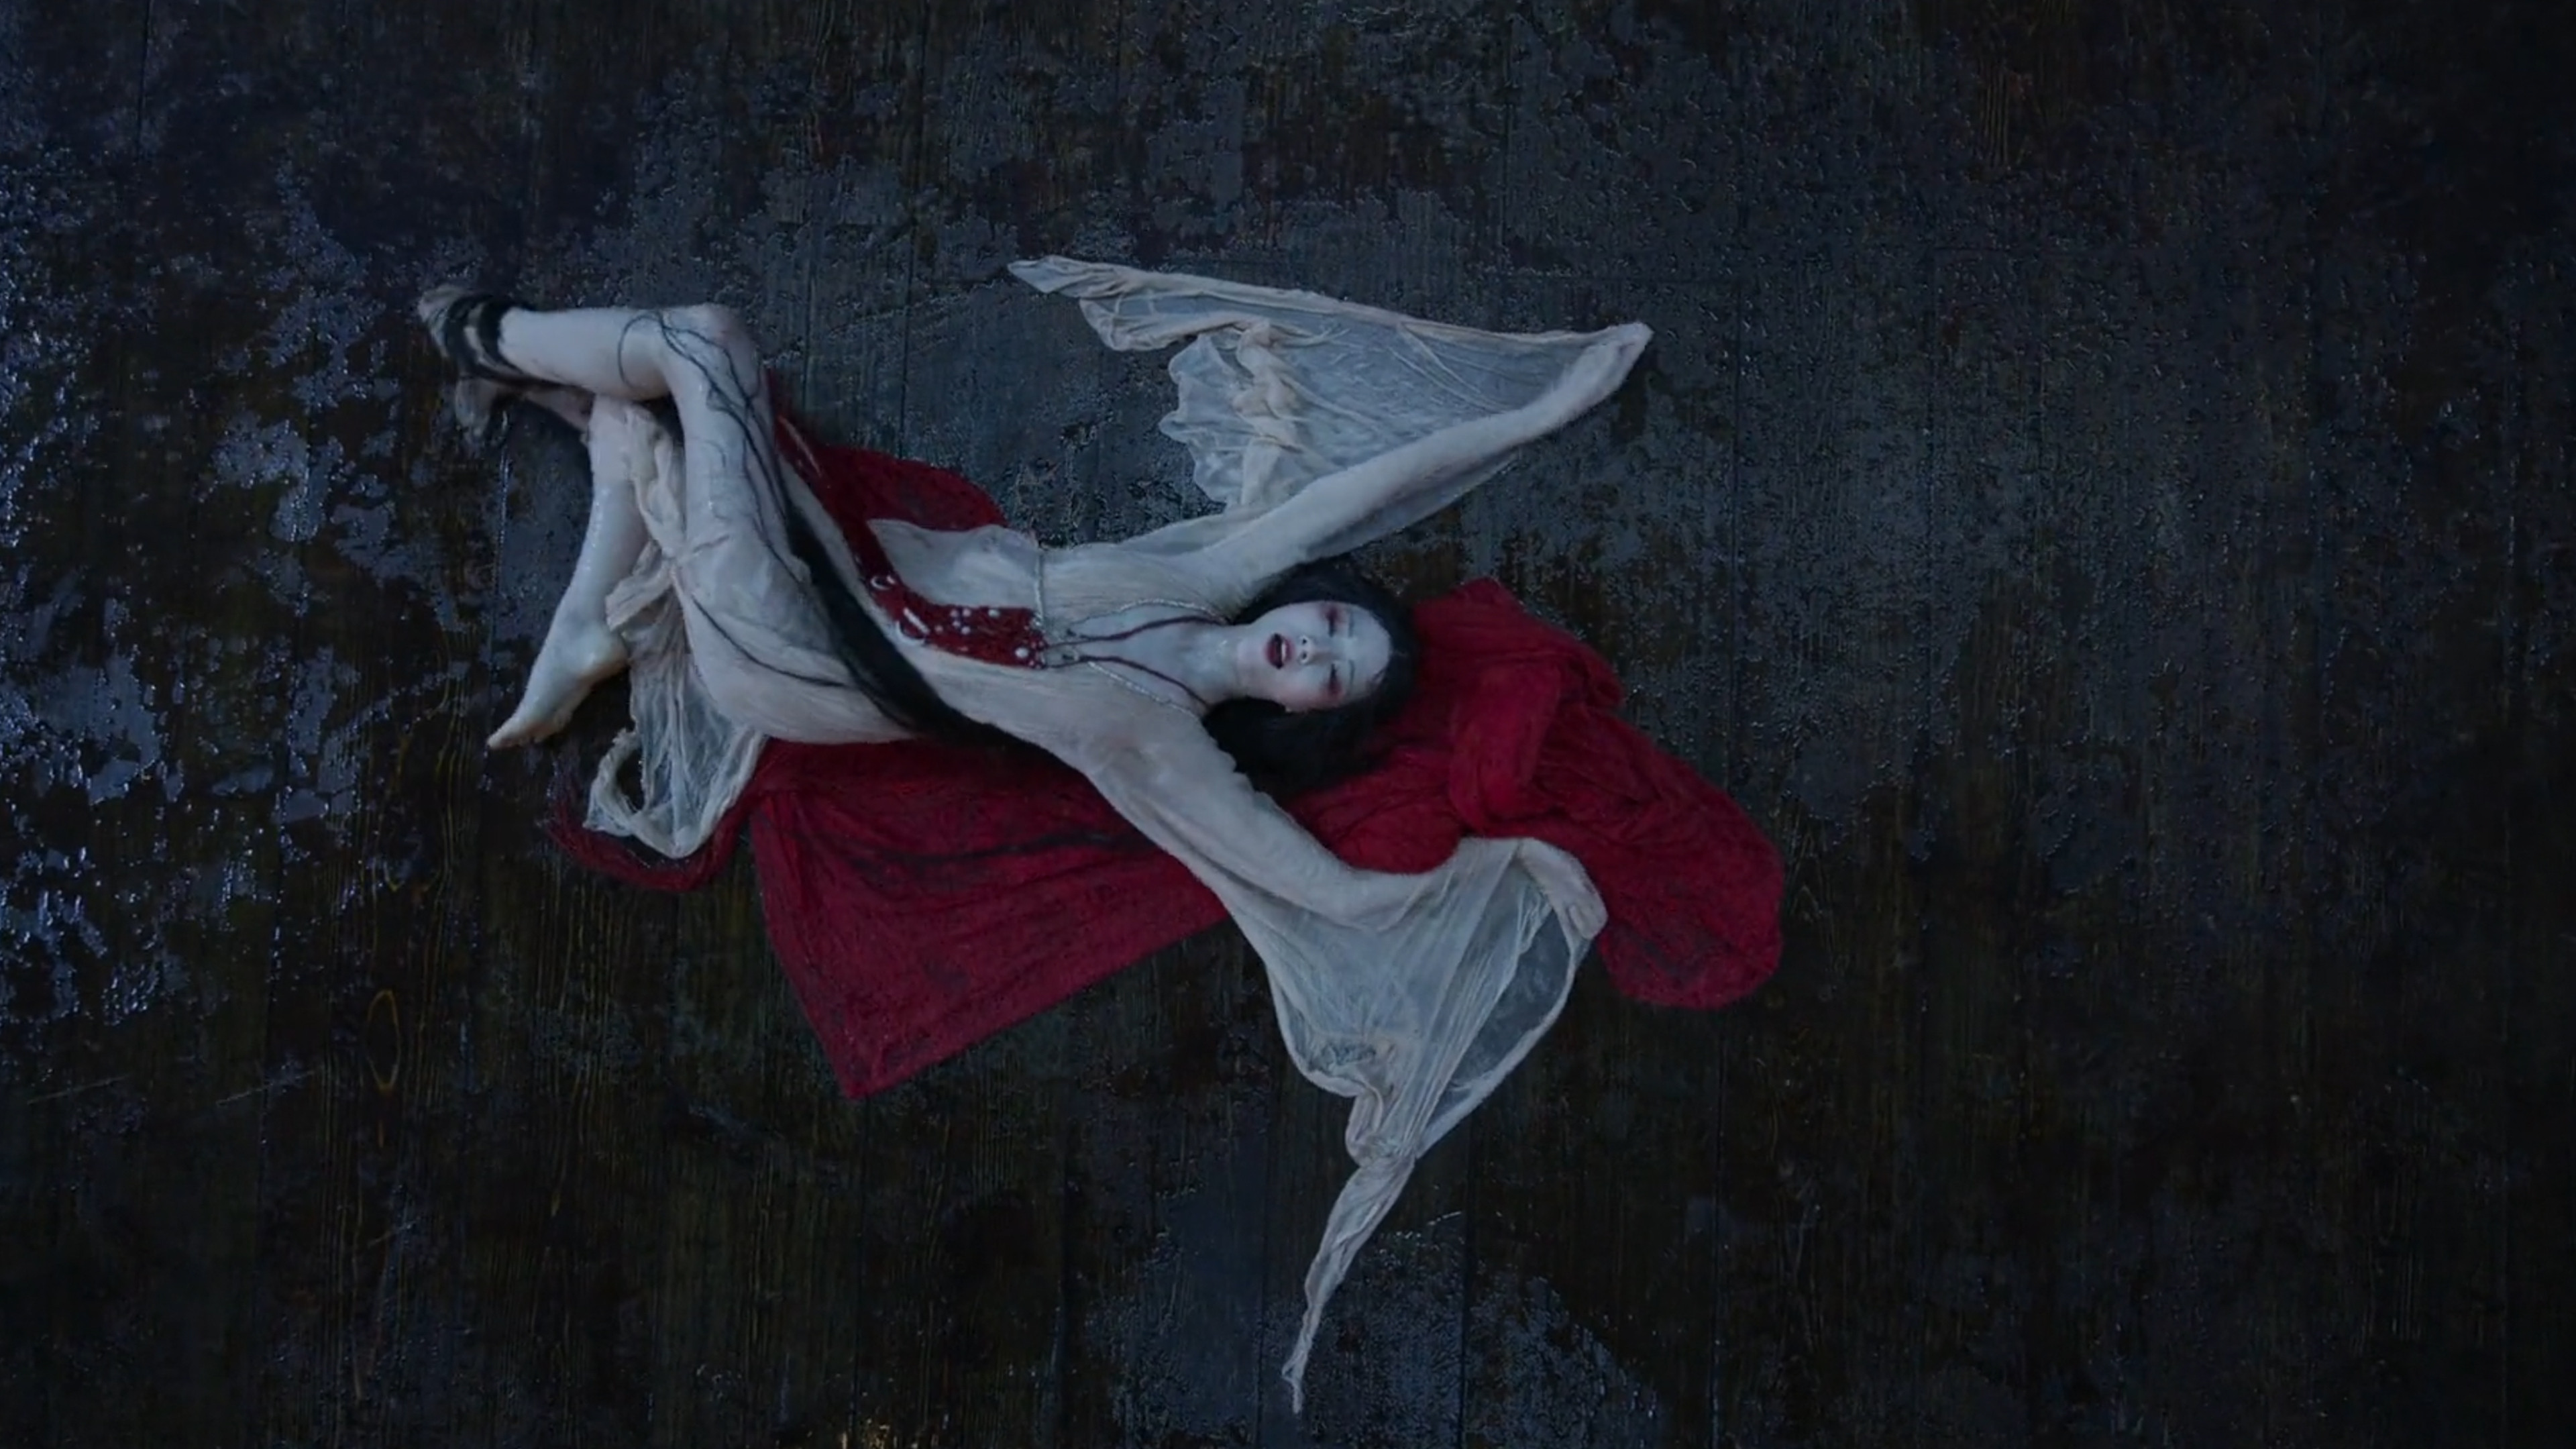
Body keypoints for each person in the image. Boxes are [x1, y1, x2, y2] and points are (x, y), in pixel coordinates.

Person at [418, 260, 1709, 1407]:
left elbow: (1323, 887)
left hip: (800, 654)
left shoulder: (1167, 748)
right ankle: (586, 618)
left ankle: (475, 331)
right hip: (846, 571)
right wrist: (1540, 407)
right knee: (659, 405)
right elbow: (1360, 493)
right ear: (1306, 603)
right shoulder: (1206, 578)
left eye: (1330, 679)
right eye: (1331, 628)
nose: (1313, 651)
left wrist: (1521, 862)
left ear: (1303, 715)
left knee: (701, 341)